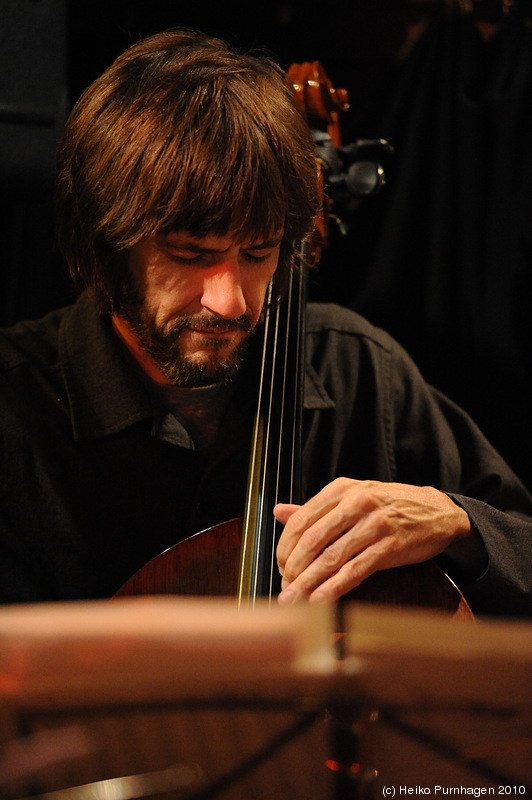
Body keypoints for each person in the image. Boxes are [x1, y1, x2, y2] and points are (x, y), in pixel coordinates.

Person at [0, 28, 531, 616]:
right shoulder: (15, 408)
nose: (230, 302)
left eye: (258, 253)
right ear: (106, 245)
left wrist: (457, 522)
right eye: (190, 254)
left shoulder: (358, 370)